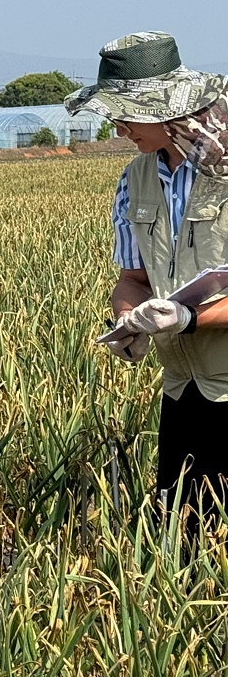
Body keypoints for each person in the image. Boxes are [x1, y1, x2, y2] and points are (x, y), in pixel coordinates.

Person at [71, 32, 228, 531]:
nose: (118, 127)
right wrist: (131, 317)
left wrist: (187, 317)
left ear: (167, 110)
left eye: (126, 113)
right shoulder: (134, 179)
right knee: (184, 537)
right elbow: (133, 277)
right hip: (182, 391)